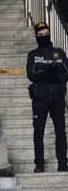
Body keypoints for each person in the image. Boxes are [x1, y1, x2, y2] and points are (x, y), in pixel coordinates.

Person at [26, 20, 68, 172]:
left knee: (60, 131)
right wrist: (46, 71)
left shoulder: (59, 52)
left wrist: (54, 77)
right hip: (39, 99)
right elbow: (31, 75)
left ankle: (63, 164)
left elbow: (66, 73)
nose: (44, 36)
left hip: (57, 98)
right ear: (36, 36)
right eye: (41, 34)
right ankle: (39, 164)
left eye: (46, 34)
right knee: (38, 131)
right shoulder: (33, 55)